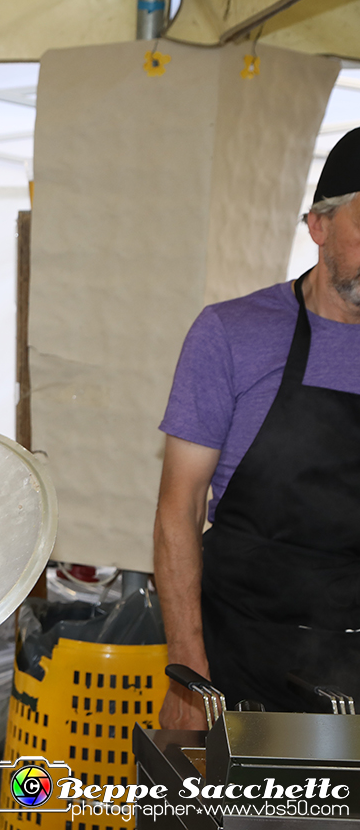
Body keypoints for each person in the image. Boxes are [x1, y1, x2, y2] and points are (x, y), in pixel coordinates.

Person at [154, 128, 360, 727]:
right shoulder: (232, 334)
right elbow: (179, 508)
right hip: (240, 660)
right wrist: (190, 677)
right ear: (318, 226)